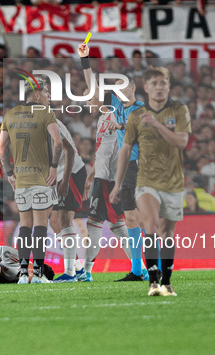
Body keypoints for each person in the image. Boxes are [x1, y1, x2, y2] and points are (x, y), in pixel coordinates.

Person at [111, 66, 191, 297]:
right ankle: (153, 280)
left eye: (162, 83)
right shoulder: (131, 110)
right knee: (148, 225)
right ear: (147, 88)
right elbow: (126, 147)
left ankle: (165, 280)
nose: (159, 88)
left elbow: (181, 142)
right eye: (154, 84)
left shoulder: (175, 111)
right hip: (139, 172)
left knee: (165, 230)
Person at [77, 45, 137, 283]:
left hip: (110, 179)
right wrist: (92, 173)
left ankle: (88, 272)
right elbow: (104, 150)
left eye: (91, 97)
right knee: (113, 224)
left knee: (102, 223)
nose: (89, 99)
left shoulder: (115, 114)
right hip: (104, 176)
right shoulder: (104, 117)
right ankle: (138, 268)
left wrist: (85, 61)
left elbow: (120, 147)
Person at [0, 78, 63, 284]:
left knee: (25, 226)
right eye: (45, 93)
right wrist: (53, 167)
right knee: (41, 226)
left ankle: (24, 274)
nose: (47, 97)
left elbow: (0, 149)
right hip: (41, 178)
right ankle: (39, 272)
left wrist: (9, 173)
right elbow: (58, 143)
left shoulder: (10, 114)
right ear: (36, 95)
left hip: (21, 180)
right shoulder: (45, 113)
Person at [50, 116, 87, 283]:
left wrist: (65, 181)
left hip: (70, 174)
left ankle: (70, 272)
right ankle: (79, 269)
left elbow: (70, 151)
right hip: (58, 177)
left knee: (65, 220)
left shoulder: (50, 124)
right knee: (55, 222)